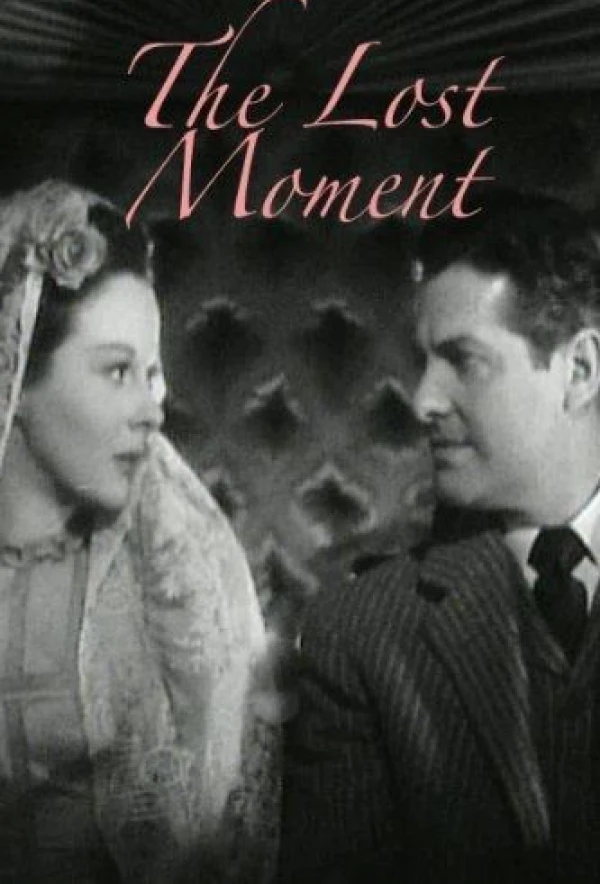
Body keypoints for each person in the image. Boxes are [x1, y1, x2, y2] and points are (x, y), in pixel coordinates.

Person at [279, 190, 600, 884]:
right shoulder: (359, 633)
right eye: (424, 361)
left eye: (465, 360)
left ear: (579, 371)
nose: (423, 399)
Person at [0, 180, 279, 883]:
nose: (153, 409)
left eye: (152, 374)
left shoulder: (175, 579)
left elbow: (216, 832)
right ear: (16, 380)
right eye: (118, 371)